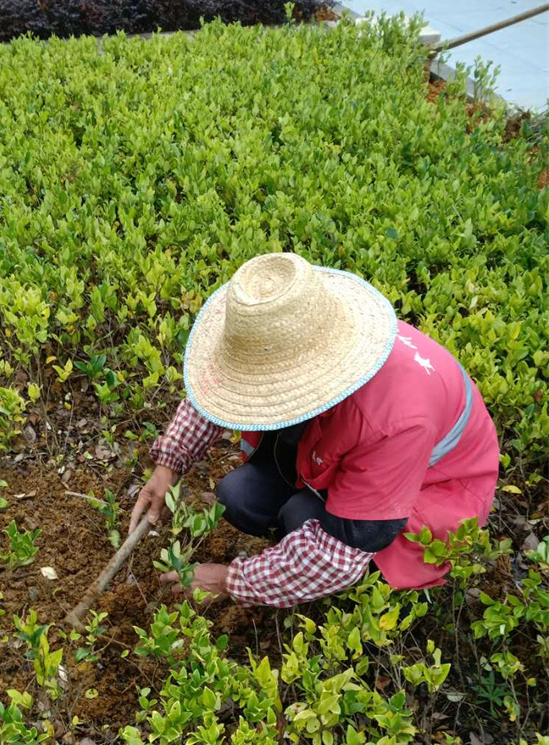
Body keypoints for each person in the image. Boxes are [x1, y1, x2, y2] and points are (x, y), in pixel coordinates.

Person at [129, 253, 500, 609]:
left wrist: (231, 580)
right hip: (344, 445)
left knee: (301, 518)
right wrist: (168, 464)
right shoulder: (296, 324)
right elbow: (222, 389)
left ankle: (313, 567)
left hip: (429, 494)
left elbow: (338, 554)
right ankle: (293, 550)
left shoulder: (393, 421)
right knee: (237, 495)